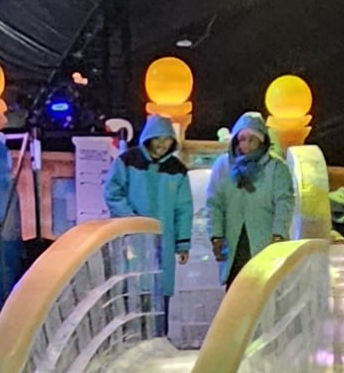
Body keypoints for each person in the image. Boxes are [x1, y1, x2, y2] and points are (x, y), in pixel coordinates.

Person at [204, 113, 295, 282]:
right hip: (233, 240)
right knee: (236, 286)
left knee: (264, 285)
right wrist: (216, 235)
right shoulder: (223, 165)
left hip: (265, 240)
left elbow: (284, 203)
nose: (246, 144)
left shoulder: (276, 168)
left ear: (262, 141)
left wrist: (279, 235)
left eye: (252, 139)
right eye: (242, 139)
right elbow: (214, 203)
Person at [103, 113, 195, 271]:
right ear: (148, 138)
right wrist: (130, 219)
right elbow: (113, 193)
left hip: (164, 239)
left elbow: (183, 209)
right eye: (157, 138)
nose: (162, 144)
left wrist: (183, 243)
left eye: (167, 139)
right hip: (130, 236)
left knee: (162, 280)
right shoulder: (127, 161)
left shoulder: (177, 169)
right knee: (131, 278)